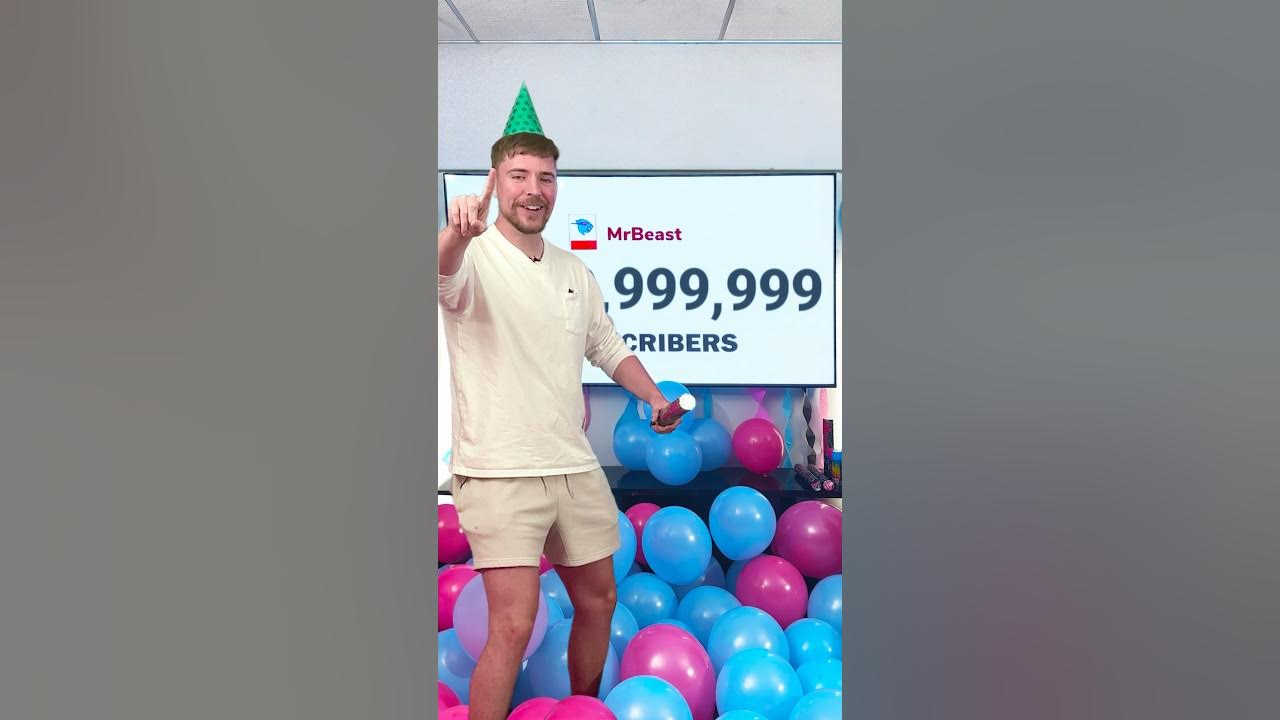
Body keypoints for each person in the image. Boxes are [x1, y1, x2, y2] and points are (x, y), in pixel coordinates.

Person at [438, 86, 680, 720]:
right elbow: (439, 273)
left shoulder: (575, 271)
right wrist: (454, 234)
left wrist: (655, 398)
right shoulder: (473, 255)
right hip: (500, 470)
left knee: (599, 601)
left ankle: (582, 710)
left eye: (545, 177)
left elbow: (606, 346)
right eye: (518, 175)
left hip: (571, 464)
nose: (533, 189)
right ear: (495, 181)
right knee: (512, 626)